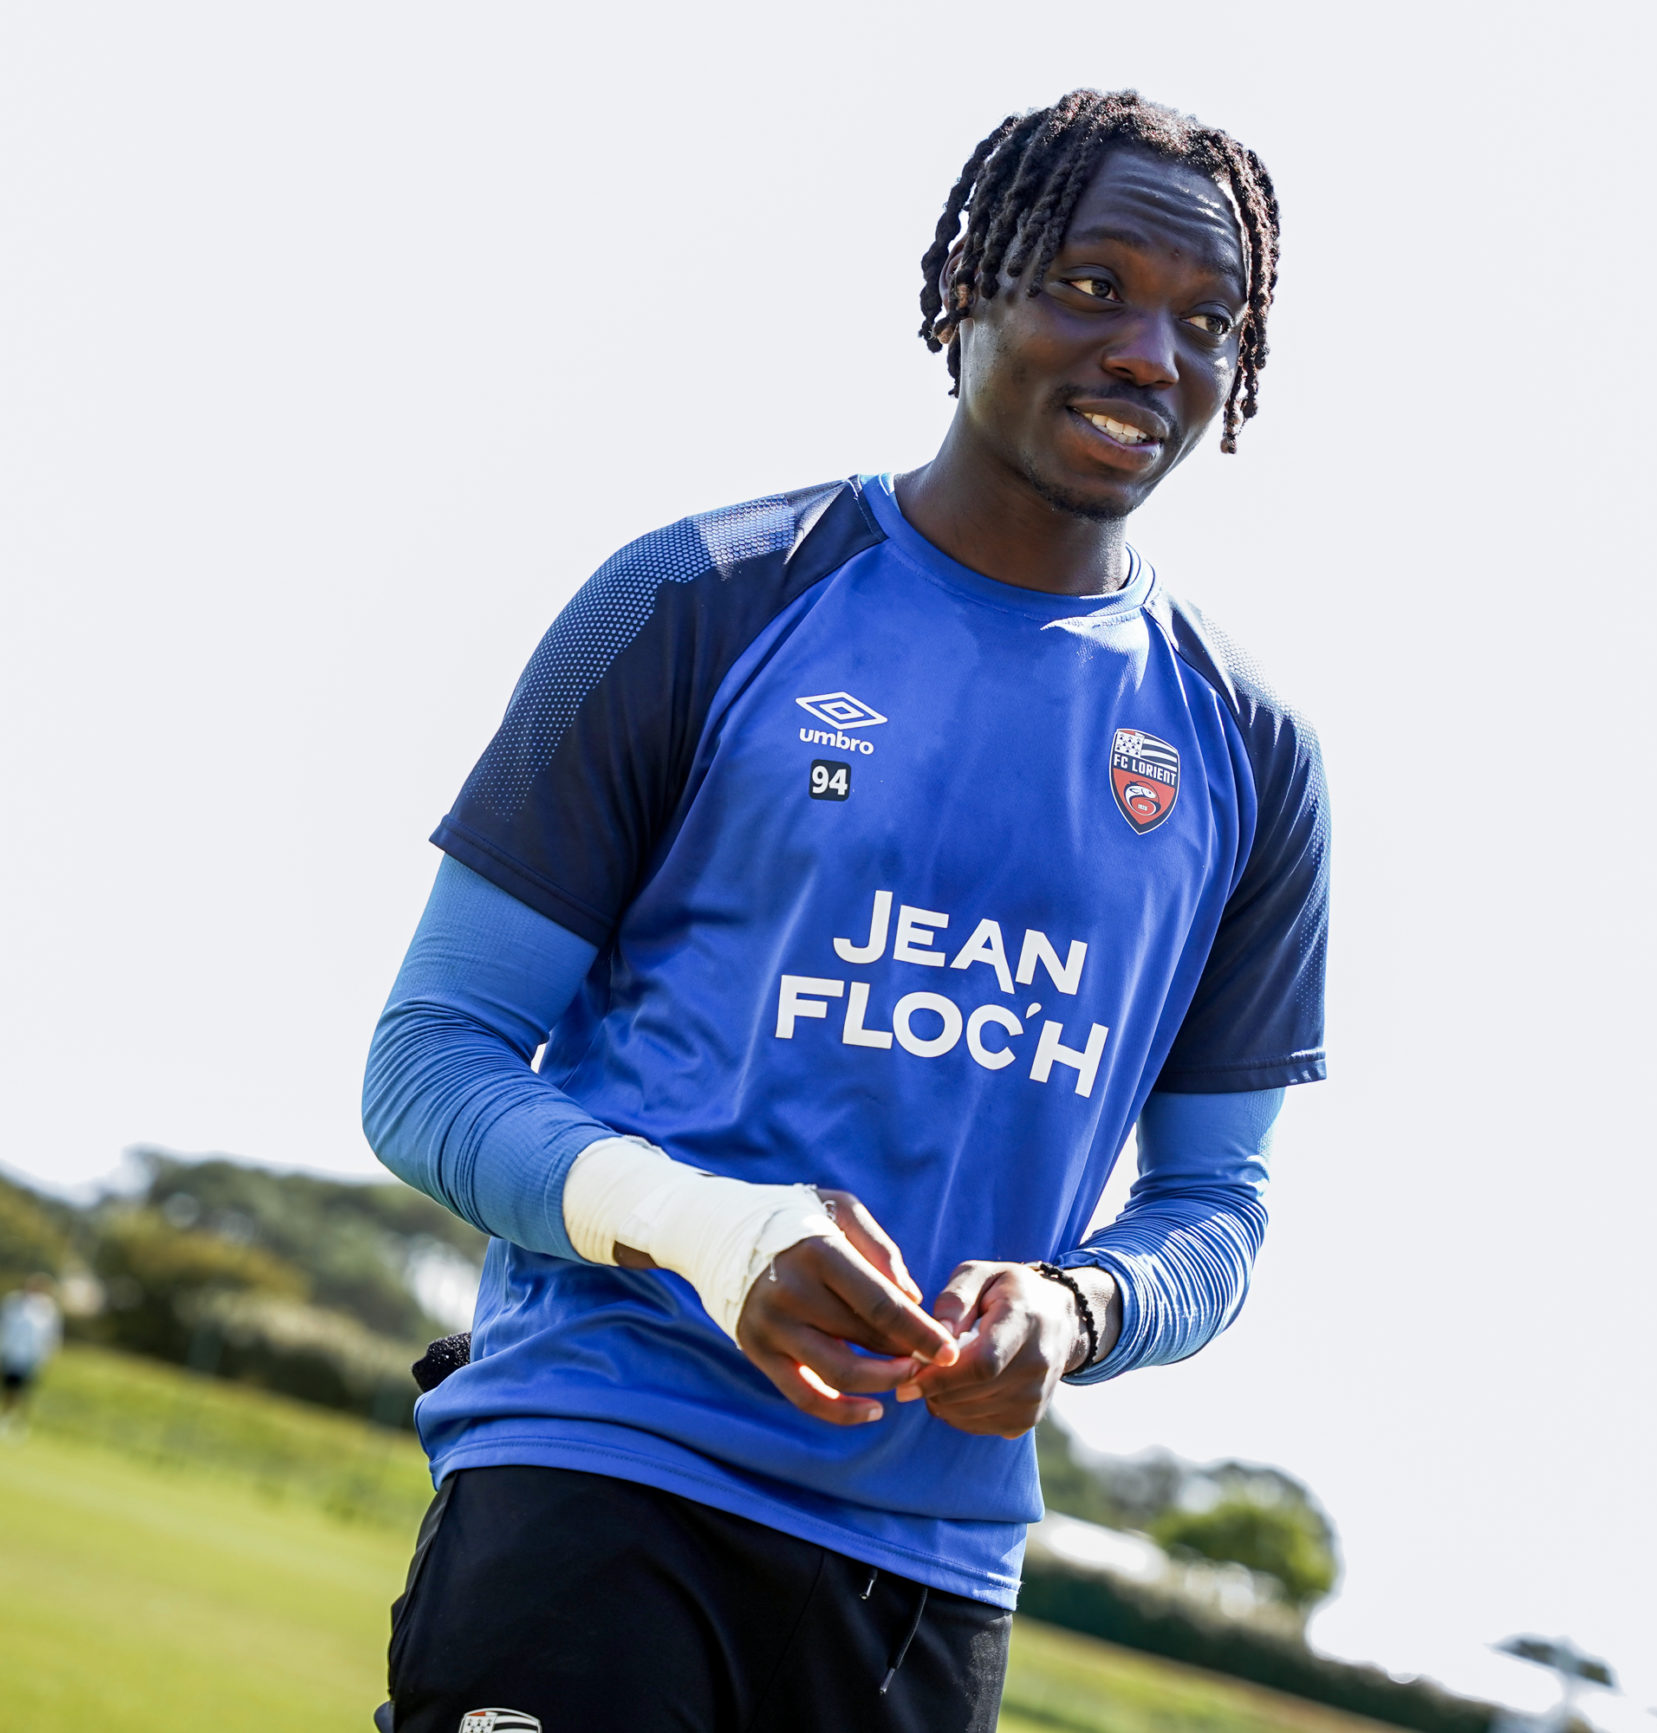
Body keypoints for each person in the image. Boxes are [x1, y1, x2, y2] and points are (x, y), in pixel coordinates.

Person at [362, 88, 1323, 1733]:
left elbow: (1217, 1207)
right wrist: (711, 1231)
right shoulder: (699, 595)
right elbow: (429, 1065)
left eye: (1206, 321)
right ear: (961, 293)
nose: (1150, 354)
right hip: (602, 1475)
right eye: (1093, 285)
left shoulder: (1249, 750)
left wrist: (1079, 1307)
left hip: (928, 1581)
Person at [0, 1272, 61, 1438]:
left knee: (18, 1393)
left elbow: (50, 1336)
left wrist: (43, 1358)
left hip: (28, 1358)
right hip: (7, 1352)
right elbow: (0, 1326)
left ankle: (6, 1421)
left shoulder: (47, 1310)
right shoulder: (13, 1301)